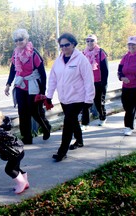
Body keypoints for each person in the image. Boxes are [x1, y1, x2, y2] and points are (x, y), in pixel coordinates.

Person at [46, 33, 95, 162]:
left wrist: (88, 101)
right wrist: (49, 96)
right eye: (61, 45)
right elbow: (52, 79)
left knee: (68, 123)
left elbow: (89, 81)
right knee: (72, 121)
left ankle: (62, 151)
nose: (64, 47)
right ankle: (79, 140)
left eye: (67, 44)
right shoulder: (58, 60)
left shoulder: (81, 60)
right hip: (64, 98)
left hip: (78, 98)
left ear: (73, 44)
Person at [4, 28, 51, 144]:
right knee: (22, 112)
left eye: (21, 39)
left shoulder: (34, 53)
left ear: (26, 39)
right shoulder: (15, 53)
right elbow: (13, 70)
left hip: (34, 85)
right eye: (16, 40)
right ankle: (27, 137)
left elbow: (42, 74)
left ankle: (46, 127)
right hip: (21, 85)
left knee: (35, 112)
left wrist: (42, 92)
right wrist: (8, 84)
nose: (18, 42)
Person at [81, 34, 109, 130]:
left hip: (99, 82)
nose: (89, 43)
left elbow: (105, 70)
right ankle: (85, 123)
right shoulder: (83, 53)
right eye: (87, 41)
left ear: (95, 42)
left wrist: (103, 83)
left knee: (98, 103)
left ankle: (102, 116)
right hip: (87, 82)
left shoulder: (101, 53)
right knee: (85, 103)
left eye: (92, 41)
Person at [117, 35, 136, 136]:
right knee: (126, 106)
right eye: (129, 44)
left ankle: (128, 127)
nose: (131, 46)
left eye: (133, 45)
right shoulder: (125, 57)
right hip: (126, 87)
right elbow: (119, 71)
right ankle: (131, 122)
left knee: (130, 108)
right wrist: (122, 78)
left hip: (135, 87)